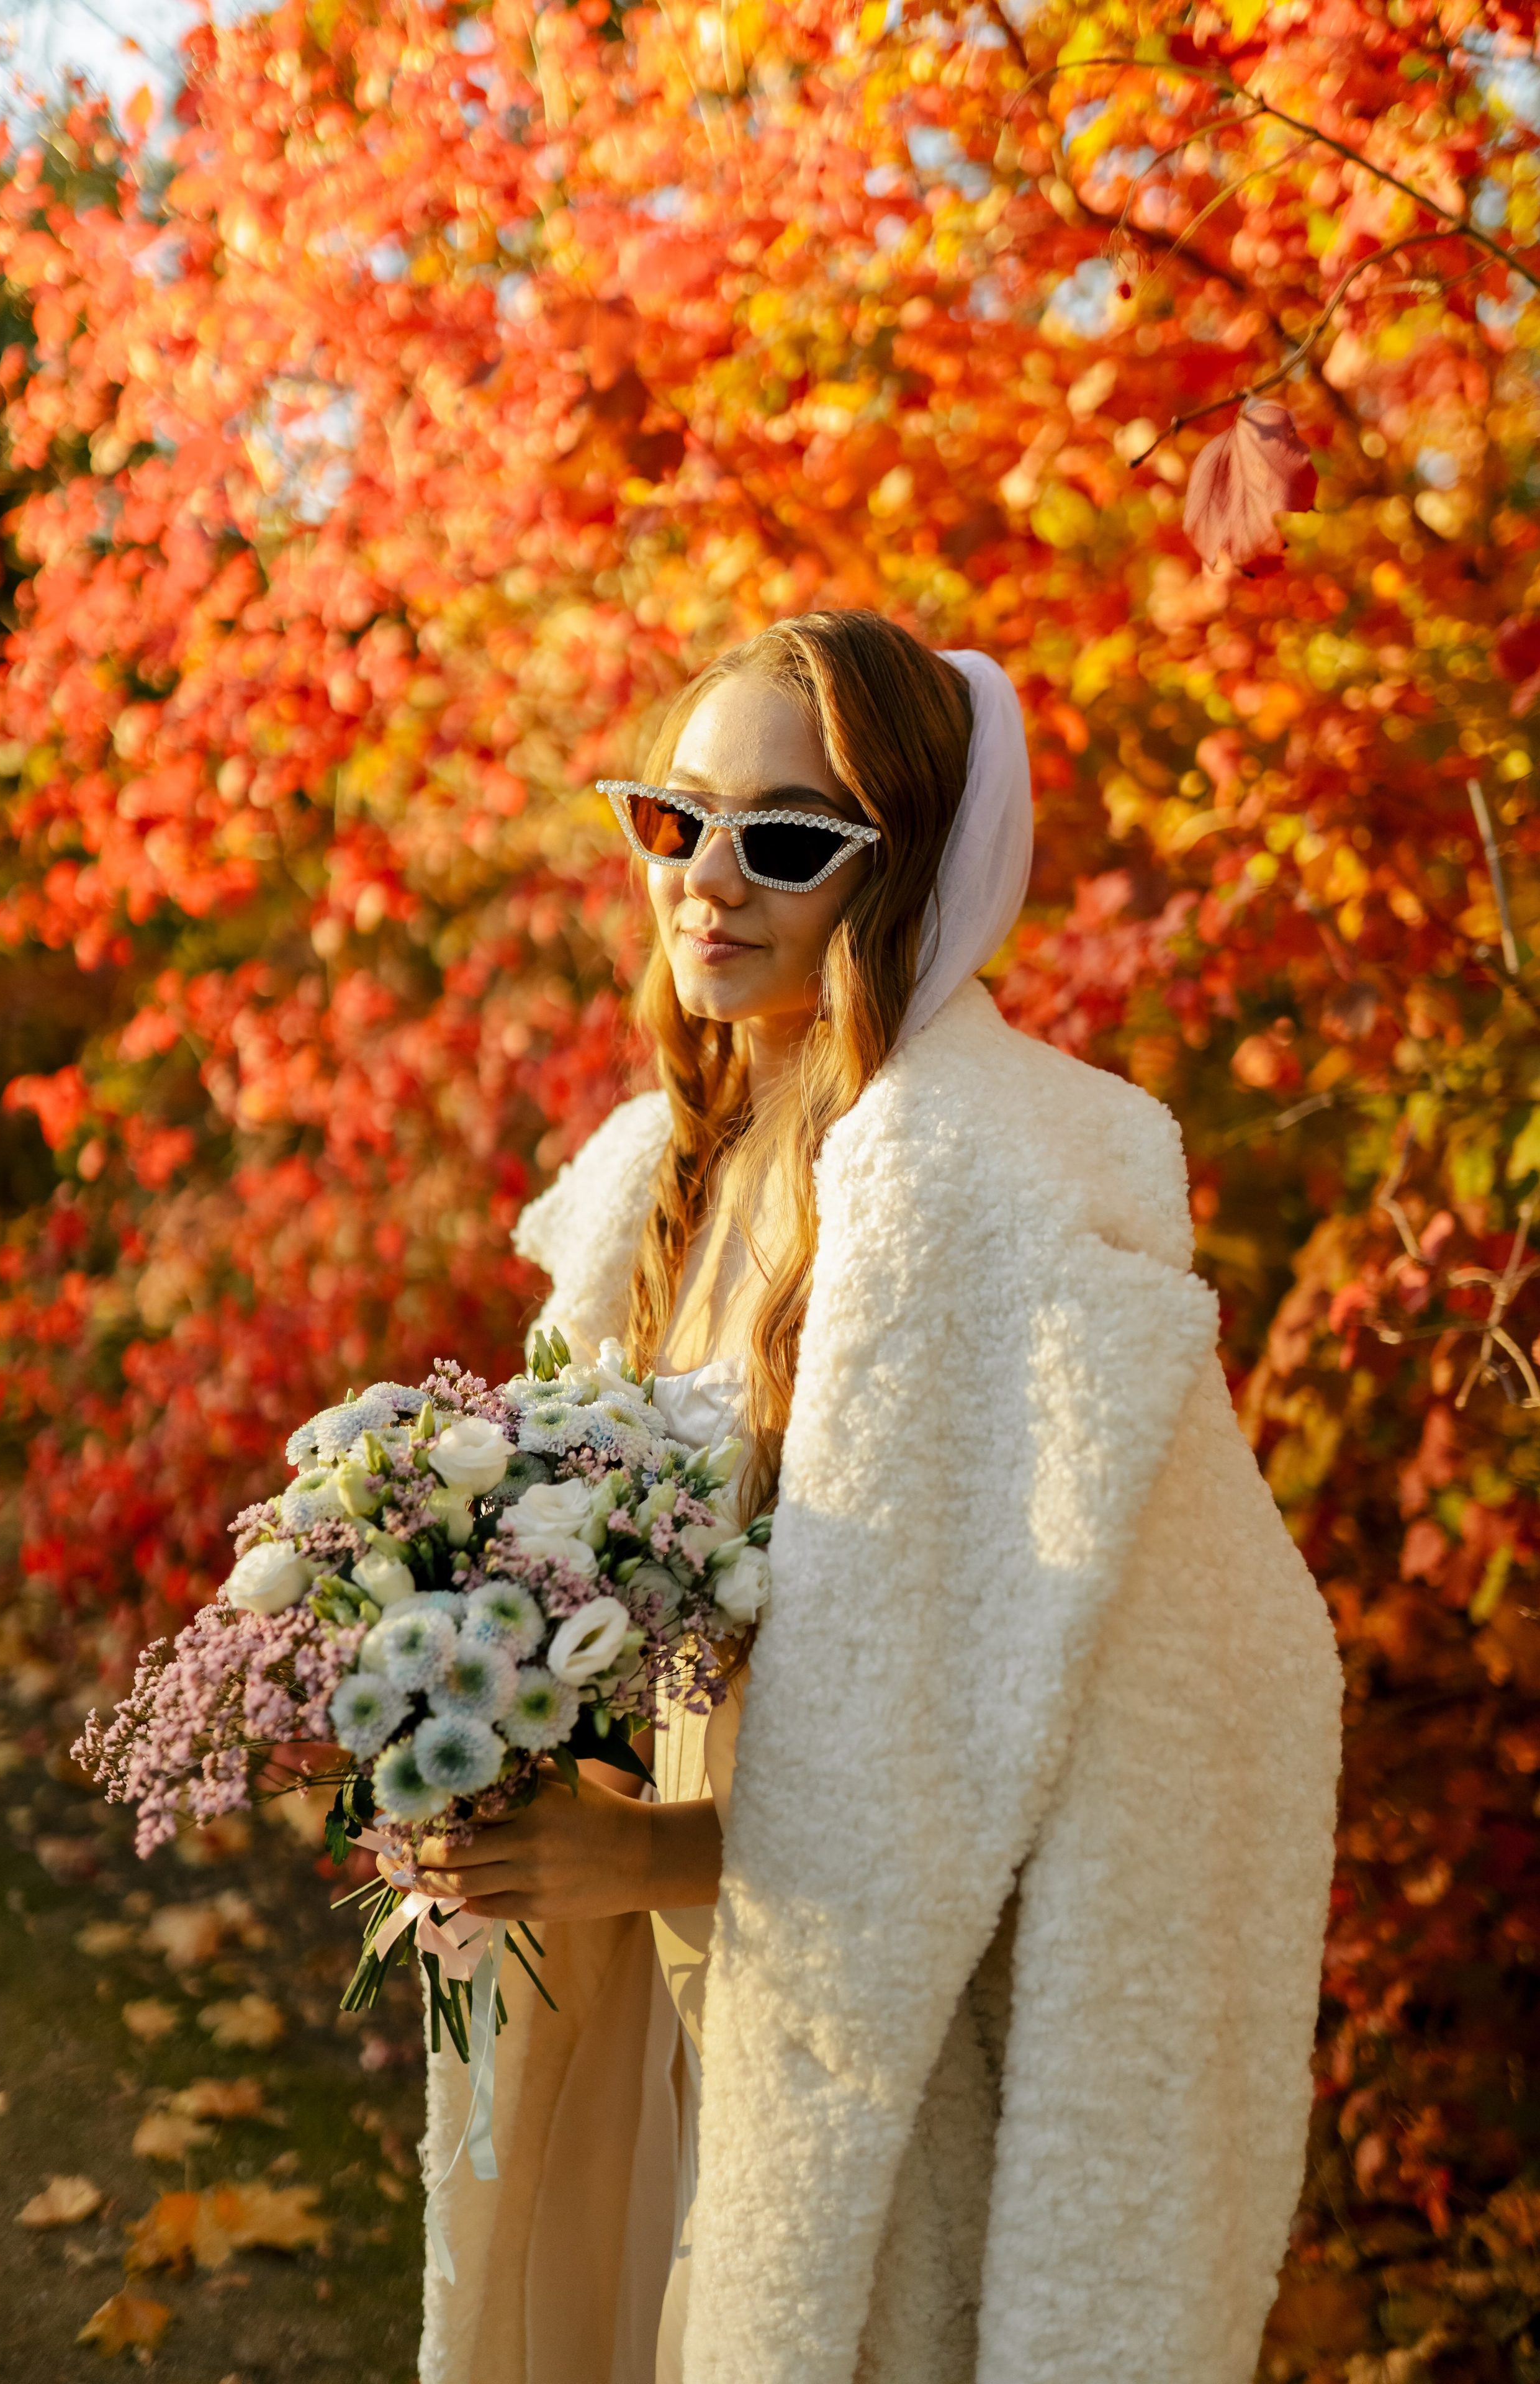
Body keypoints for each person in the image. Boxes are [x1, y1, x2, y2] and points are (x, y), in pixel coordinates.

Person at [408, 612, 1342, 2384]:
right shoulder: (652, 1174)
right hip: (633, 1985)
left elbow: (1100, 1714)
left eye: (787, 840)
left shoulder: (984, 1200)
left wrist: (661, 1855)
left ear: (905, 872)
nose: (708, 881)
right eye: (672, 821)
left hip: (836, 2031)